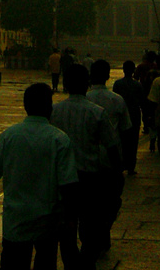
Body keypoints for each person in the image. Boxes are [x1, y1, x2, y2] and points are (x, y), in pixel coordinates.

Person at [0, 82, 78, 270]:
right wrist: (69, 218)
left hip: (16, 218)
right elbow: (68, 184)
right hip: (48, 219)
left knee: (14, 262)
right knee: (45, 262)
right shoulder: (59, 139)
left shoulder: (9, 135)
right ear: (49, 107)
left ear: (26, 106)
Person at [51, 63, 121, 268]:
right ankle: (87, 262)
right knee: (91, 227)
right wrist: (117, 173)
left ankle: (72, 264)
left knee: (67, 228)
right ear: (87, 83)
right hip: (90, 177)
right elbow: (111, 146)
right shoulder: (97, 112)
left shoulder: (55, 111)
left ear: (66, 83)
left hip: (64, 179)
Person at [86, 59, 130, 247]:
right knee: (111, 202)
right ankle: (103, 230)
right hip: (111, 160)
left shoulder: (85, 100)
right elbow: (126, 130)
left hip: (86, 162)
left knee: (89, 206)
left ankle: (92, 237)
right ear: (107, 76)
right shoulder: (116, 100)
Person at [112, 60, 144, 174]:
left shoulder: (118, 84)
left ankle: (121, 163)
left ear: (124, 70)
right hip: (134, 115)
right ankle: (131, 166)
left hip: (120, 116)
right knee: (133, 142)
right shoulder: (137, 84)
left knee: (121, 140)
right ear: (133, 70)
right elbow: (142, 101)